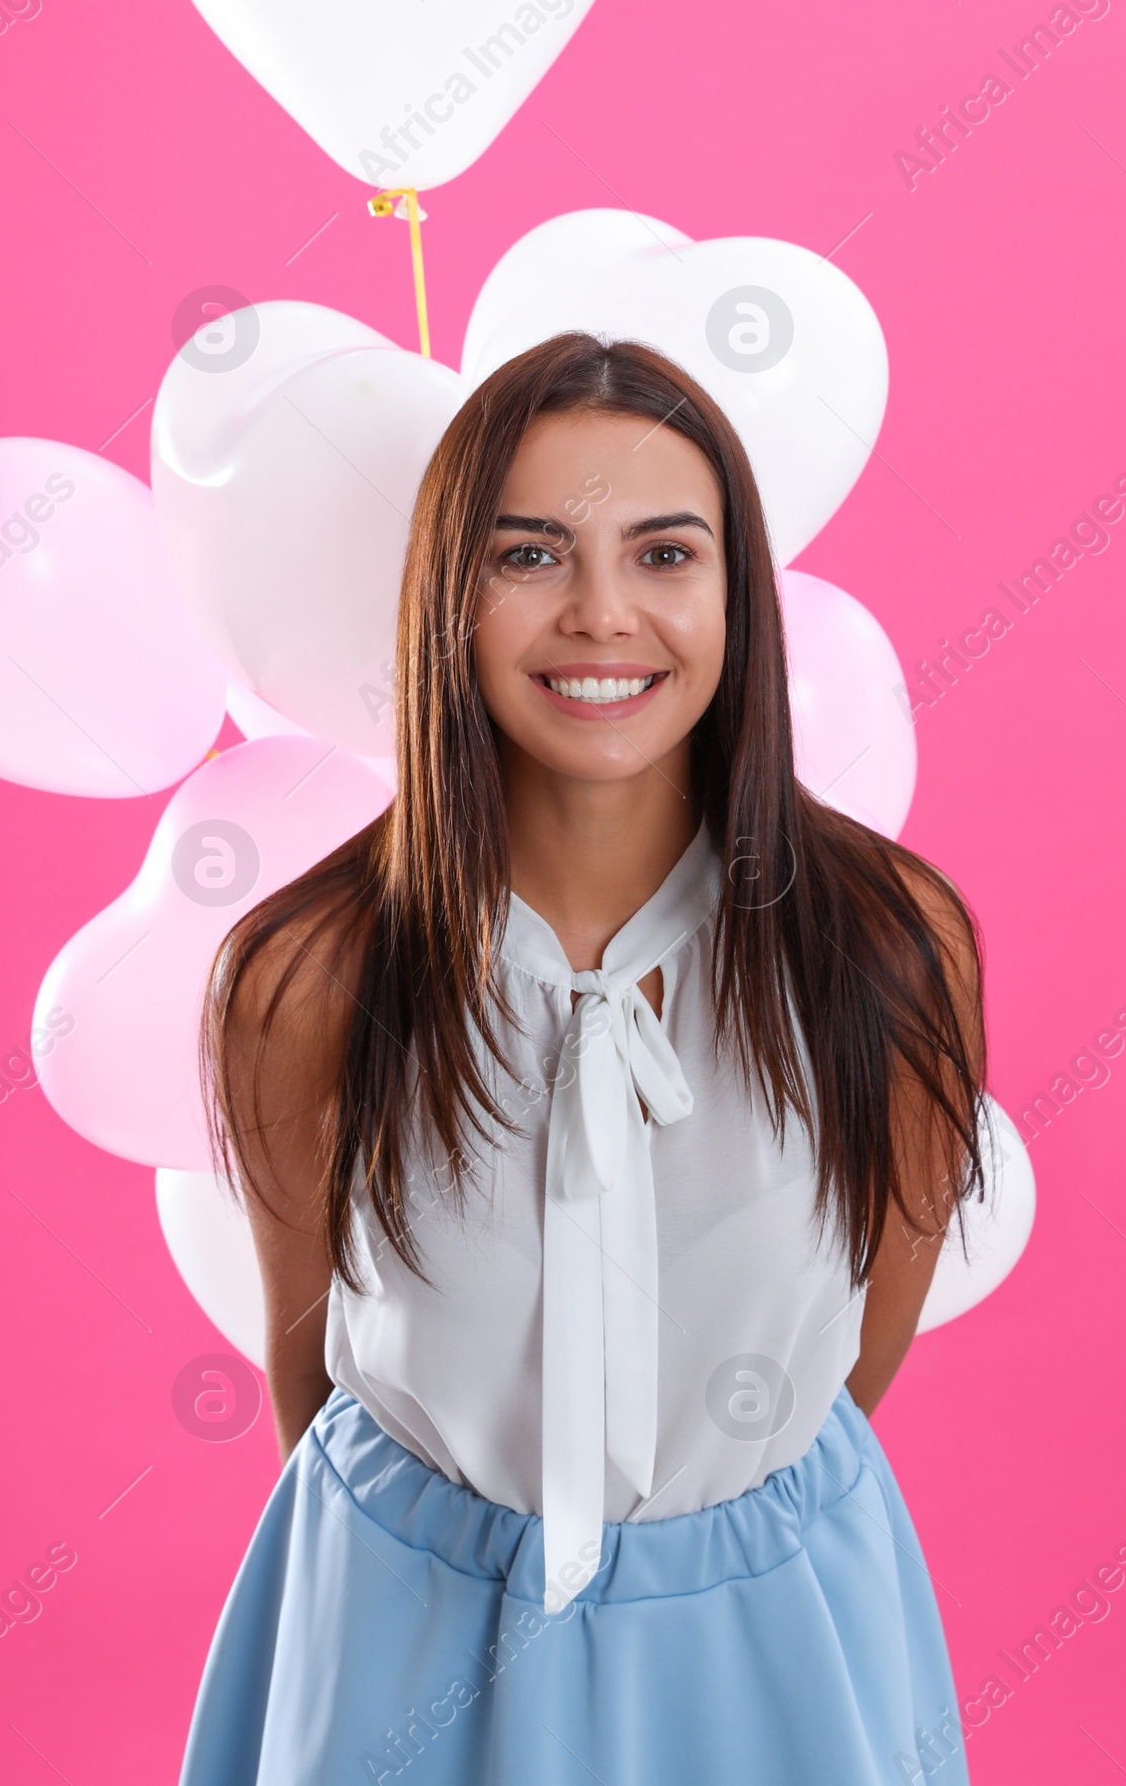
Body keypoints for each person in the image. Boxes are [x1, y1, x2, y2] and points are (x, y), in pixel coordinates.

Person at [179, 333, 985, 1786]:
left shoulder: (888, 948)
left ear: (738, 594)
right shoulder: (305, 980)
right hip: (404, 1640)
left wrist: (694, 1524)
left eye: (665, 553)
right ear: (450, 597)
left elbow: (858, 1349)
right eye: (531, 554)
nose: (603, 614)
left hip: (768, 1645)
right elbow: (315, 1380)